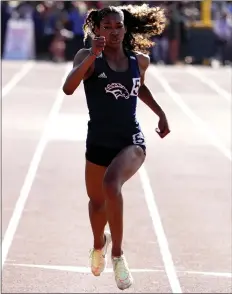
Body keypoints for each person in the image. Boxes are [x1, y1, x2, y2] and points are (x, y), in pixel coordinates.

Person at [62, 4, 170, 290]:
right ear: (96, 30)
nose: (112, 32)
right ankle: (99, 244)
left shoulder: (140, 61)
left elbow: (138, 87)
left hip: (130, 140)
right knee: (97, 204)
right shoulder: (88, 57)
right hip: (98, 140)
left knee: (112, 184)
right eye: (106, 27)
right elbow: (68, 87)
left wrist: (160, 113)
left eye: (118, 26)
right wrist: (93, 56)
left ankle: (119, 255)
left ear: (125, 29)